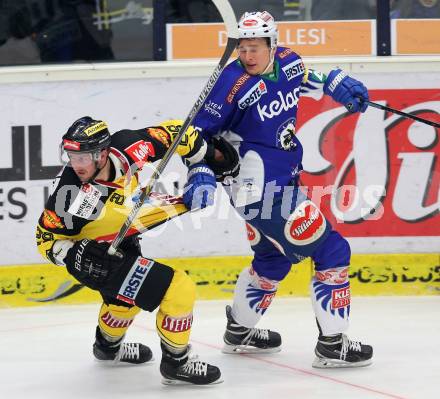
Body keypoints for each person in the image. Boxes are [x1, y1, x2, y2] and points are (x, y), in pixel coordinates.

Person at [192, 11, 374, 368]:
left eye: (255, 47)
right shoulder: (230, 83)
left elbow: (310, 79)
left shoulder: (290, 62)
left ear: (272, 45)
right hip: (259, 192)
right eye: (242, 48)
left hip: (284, 181)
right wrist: (199, 170)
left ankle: (238, 331)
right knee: (333, 250)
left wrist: (337, 82)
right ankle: (333, 343)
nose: (248, 56)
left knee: (272, 260)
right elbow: (197, 135)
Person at [35, 116, 230, 385]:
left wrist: (200, 165)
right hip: (92, 254)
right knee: (179, 288)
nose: (76, 165)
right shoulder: (71, 195)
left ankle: (107, 348)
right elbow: (44, 239)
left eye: (83, 158)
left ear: (103, 153)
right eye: (71, 157)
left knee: (123, 303)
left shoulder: (130, 145)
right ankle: (177, 361)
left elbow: (180, 132)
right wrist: (72, 256)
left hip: (121, 233)